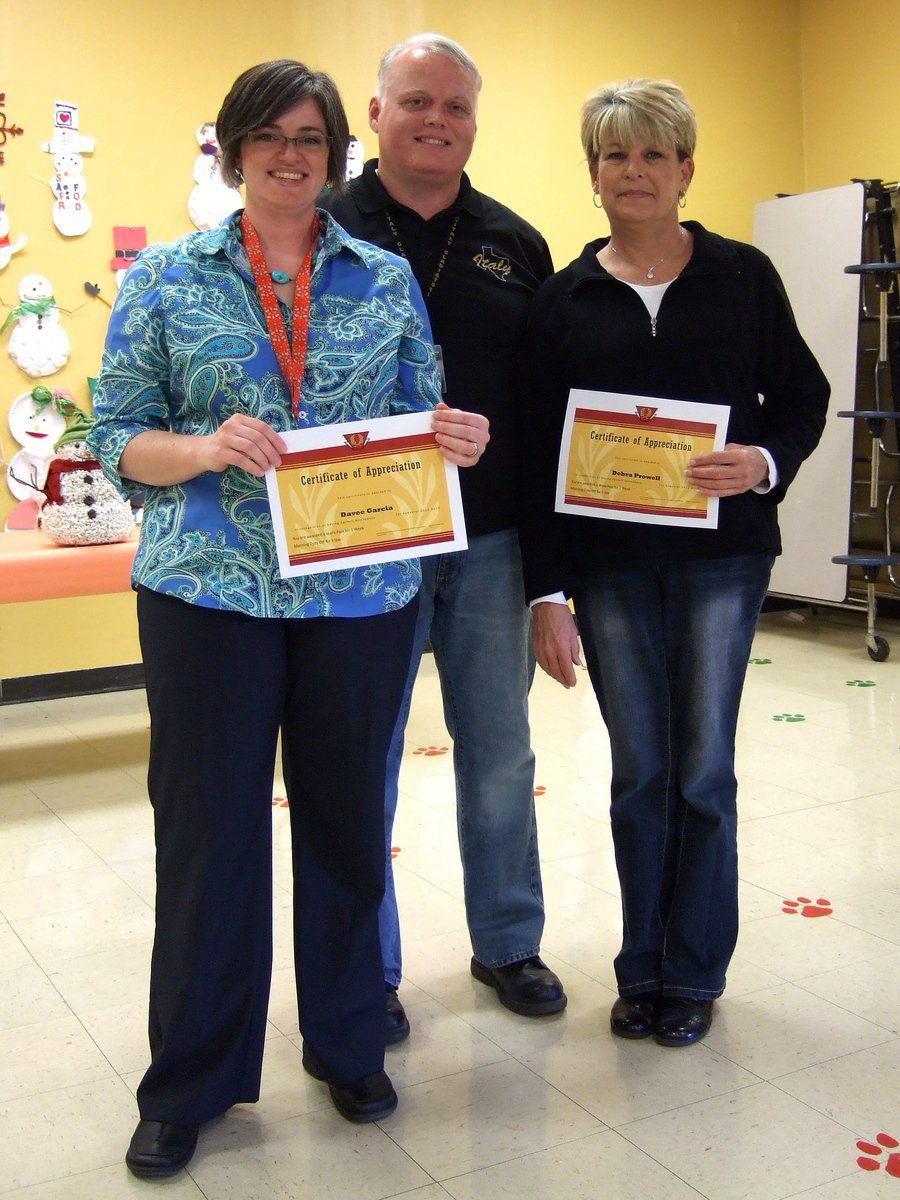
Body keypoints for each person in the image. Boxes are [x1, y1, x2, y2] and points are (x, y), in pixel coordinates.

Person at [87, 58, 487, 1180]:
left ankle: (350, 1039)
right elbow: (117, 432)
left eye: (310, 137)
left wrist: (454, 437)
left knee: (351, 820)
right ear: (232, 148)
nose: (291, 154)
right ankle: (194, 1081)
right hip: (207, 591)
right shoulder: (164, 279)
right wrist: (207, 446)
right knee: (211, 835)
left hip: (360, 592)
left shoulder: (384, 276)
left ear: (334, 154)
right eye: (268, 135)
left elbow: (423, 413)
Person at [518, 79, 829, 1048]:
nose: (635, 172)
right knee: (639, 773)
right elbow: (536, 452)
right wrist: (545, 590)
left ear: (687, 168)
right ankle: (640, 966)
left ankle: (693, 972)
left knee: (702, 774)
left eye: (655, 154)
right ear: (594, 173)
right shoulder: (564, 298)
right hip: (609, 569)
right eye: (616, 155)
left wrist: (763, 460)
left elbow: (804, 397)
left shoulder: (744, 277)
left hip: (722, 562)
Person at [321, 33, 567, 1038]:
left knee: (500, 753)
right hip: (362, 540)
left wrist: (557, 578)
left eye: (456, 106)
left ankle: (508, 941)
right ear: (373, 115)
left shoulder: (517, 241)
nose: (437, 121)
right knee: (362, 759)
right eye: (416, 101)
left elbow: (548, 410)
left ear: (475, 122)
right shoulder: (320, 226)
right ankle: (364, 974)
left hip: (493, 541)